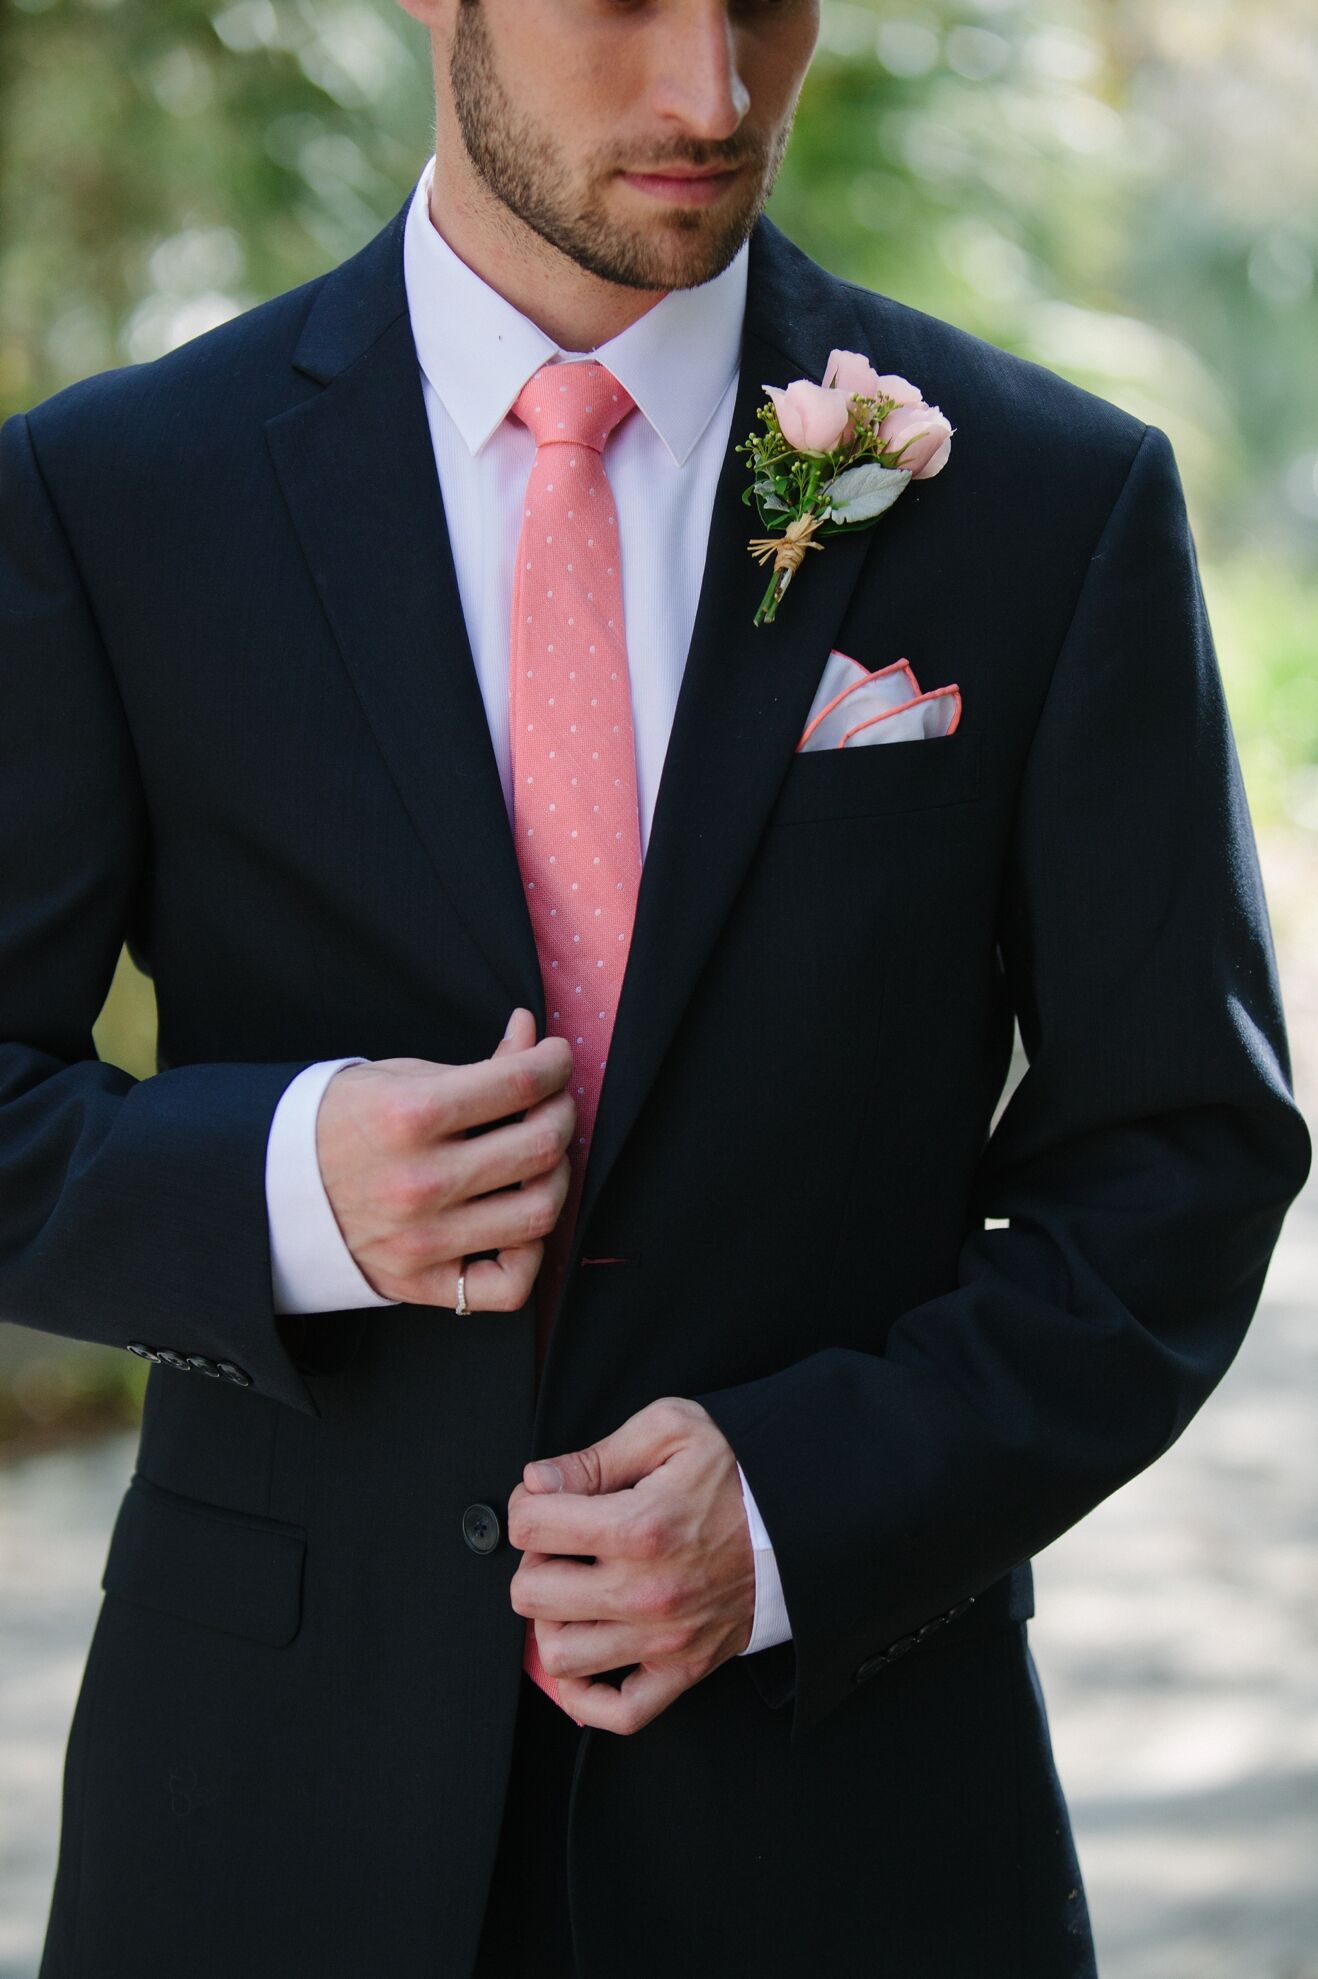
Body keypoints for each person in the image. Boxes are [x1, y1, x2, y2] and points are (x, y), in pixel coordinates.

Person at [1, 2, 1309, 1974]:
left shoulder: (1046, 501)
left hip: (852, 1817)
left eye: (764, 4)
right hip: (271, 1812)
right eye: (623, 0)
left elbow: (1181, 1151)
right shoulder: (114, 496)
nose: (712, 93)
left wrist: (800, 1509)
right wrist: (283, 1186)